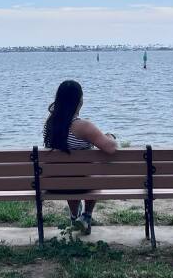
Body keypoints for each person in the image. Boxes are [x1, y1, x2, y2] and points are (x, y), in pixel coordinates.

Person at [42, 80, 118, 234]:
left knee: (69, 171)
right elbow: (110, 148)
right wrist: (109, 136)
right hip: (82, 183)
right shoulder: (82, 126)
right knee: (90, 172)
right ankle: (86, 217)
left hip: (54, 184)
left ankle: (73, 216)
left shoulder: (50, 124)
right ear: (79, 100)